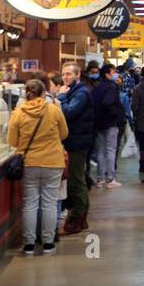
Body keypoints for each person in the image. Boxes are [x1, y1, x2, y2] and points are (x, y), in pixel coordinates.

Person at [9, 78, 69, 255]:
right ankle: (48, 243)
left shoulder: (18, 112)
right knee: (50, 203)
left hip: (29, 162)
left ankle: (28, 244)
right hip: (53, 162)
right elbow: (64, 134)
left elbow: (12, 140)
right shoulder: (53, 109)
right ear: (44, 93)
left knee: (30, 203)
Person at [56, 62, 93, 234]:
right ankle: (80, 217)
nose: (65, 77)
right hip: (75, 140)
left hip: (77, 143)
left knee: (76, 181)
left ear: (77, 75)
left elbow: (68, 113)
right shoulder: (75, 91)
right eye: (63, 74)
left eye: (69, 74)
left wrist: (61, 97)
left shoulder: (81, 93)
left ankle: (76, 219)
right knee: (78, 179)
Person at [90, 62, 125, 188]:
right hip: (110, 122)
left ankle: (100, 178)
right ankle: (110, 178)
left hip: (98, 122)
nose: (115, 74)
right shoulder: (112, 87)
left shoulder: (97, 87)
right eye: (113, 72)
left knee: (100, 150)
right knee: (111, 149)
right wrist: (116, 114)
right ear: (107, 74)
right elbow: (107, 103)